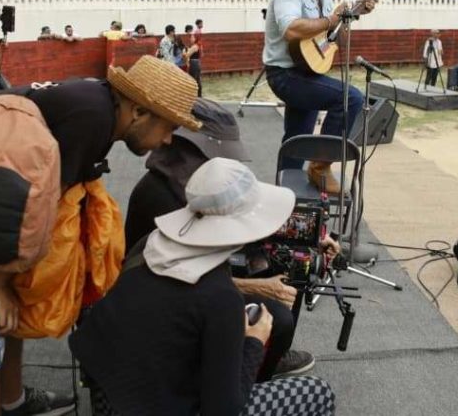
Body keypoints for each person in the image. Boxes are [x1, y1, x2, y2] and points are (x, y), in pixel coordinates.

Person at [0, 56, 202, 416]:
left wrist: (8, 282)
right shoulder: (93, 120)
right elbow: (36, 217)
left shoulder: (99, 105)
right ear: (139, 111)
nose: (169, 139)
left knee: (14, 295)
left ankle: (12, 402)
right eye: (169, 126)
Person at [71, 157, 337, 416]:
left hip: (108, 397)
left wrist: (313, 239)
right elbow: (222, 409)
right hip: (160, 406)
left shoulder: (151, 245)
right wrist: (254, 342)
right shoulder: (220, 299)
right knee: (317, 391)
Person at [124, 99, 339, 382]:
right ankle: (249, 373)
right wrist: (255, 287)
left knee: (292, 261)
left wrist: (312, 236)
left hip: (199, 278)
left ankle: (267, 353)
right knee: (277, 316)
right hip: (167, 300)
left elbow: (246, 213)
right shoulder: (162, 196)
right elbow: (173, 282)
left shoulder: (195, 179)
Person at [263, 0, 376, 194]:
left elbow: (336, 40)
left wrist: (352, 16)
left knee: (296, 141)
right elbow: (291, 29)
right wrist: (331, 20)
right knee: (351, 98)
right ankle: (321, 166)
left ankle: (281, 197)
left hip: (309, 71)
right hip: (285, 74)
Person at [184, 24, 203, 96]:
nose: (190, 38)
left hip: (193, 64)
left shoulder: (194, 46)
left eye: (192, 37)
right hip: (197, 63)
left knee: (193, 80)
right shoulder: (197, 45)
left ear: (195, 38)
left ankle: (194, 96)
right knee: (197, 80)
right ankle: (199, 95)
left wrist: (184, 52)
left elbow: (186, 55)